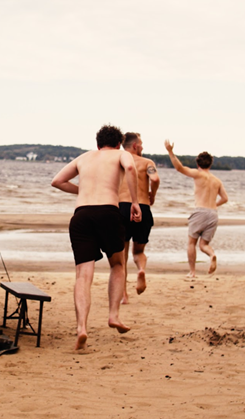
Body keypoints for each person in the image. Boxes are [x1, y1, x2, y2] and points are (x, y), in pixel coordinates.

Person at [51, 125, 142, 350]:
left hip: (81, 216)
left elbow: (57, 181)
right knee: (118, 264)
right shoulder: (122, 154)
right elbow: (130, 168)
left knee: (83, 275)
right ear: (119, 143)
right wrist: (135, 201)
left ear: (97, 143)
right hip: (107, 213)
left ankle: (81, 327)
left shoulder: (84, 157)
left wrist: (81, 191)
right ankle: (113, 315)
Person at [164, 140, 228, 278]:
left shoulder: (198, 174)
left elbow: (179, 168)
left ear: (198, 164)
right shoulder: (217, 180)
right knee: (203, 244)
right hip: (213, 214)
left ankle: (192, 272)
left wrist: (170, 151)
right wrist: (213, 205)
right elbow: (225, 198)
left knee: (191, 242)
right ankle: (212, 255)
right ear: (210, 164)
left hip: (200, 211)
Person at [117, 132, 159, 302]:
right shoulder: (148, 163)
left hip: (121, 208)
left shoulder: (118, 160)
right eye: (141, 144)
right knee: (139, 251)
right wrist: (153, 195)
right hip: (142, 206)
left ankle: (124, 295)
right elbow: (155, 179)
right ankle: (141, 269)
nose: (142, 147)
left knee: (122, 255)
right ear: (135, 145)